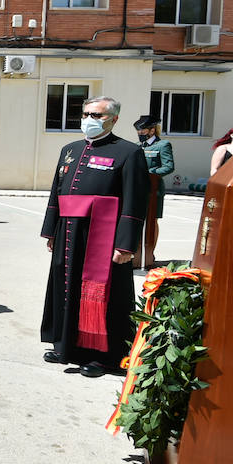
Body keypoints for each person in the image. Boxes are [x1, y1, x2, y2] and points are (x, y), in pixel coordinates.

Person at [40, 96, 149, 377]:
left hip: (103, 234)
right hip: (68, 231)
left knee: (102, 296)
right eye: (87, 113)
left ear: (113, 120)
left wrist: (126, 244)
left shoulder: (128, 152)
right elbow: (57, 192)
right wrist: (51, 230)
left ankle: (105, 357)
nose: (89, 119)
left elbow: (135, 203)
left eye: (97, 115)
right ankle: (66, 346)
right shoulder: (70, 150)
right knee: (66, 286)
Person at [133, 114, 175, 269]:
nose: (140, 133)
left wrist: (150, 173)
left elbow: (168, 166)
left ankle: (150, 255)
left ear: (152, 130)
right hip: (137, 190)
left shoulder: (162, 145)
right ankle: (137, 255)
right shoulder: (138, 146)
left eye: (143, 130)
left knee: (152, 222)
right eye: (139, 131)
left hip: (153, 191)